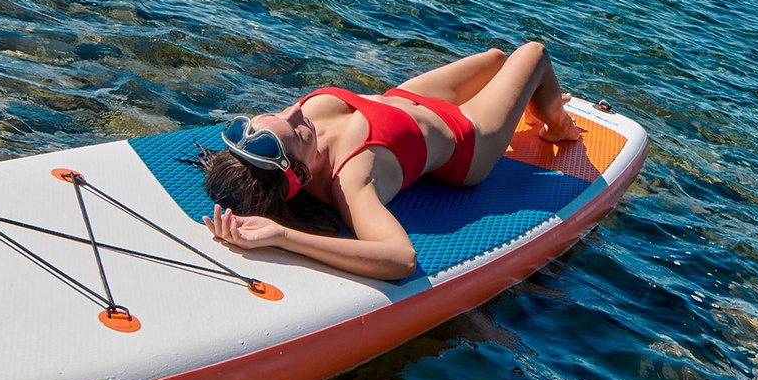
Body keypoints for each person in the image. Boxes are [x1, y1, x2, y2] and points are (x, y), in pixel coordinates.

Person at [200, 42, 582, 281]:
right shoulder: (352, 178)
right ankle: (558, 125)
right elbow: (400, 259)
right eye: (298, 132)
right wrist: (283, 236)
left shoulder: (275, 143)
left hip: (403, 101)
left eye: (278, 115)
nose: (296, 113)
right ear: (300, 173)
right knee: (533, 54)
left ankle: (529, 100)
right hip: (467, 136)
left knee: (496, 59)